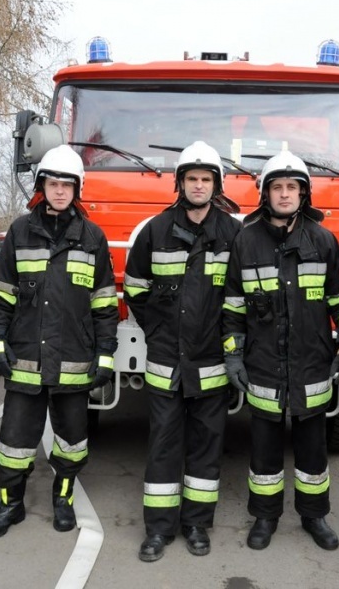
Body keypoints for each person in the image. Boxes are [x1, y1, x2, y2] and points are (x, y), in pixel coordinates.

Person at [0, 144, 118, 540]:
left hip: (74, 363)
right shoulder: (20, 232)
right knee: (14, 442)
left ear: (78, 189)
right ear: (42, 186)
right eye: (53, 183)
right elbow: (1, 295)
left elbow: (104, 304)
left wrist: (105, 356)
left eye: (66, 184)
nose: (59, 191)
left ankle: (63, 498)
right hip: (24, 360)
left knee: (72, 440)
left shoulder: (93, 237)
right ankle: (11, 506)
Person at [222, 151, 339, 552]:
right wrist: (232, 353)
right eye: (277, 187)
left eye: (291, 187)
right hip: (262, 364)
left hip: (312, 363)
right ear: (265, 193)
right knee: (263, 447)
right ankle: (265, 517)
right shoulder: (246, 240)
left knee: (313, 448)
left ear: (303, 194)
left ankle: (315, 517)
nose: (284, 194)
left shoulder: (324, 241)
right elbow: (232, 307)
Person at [124, 140, 242, 562]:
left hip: (210, 365)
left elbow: (239, 295)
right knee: (163, 446)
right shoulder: (155, 230)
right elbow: (135, 288)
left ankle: (196, 525)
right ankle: (158, 530)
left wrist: (231, 346)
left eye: (205, 179)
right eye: (191, 178)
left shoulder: (234, 233)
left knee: (206, 447)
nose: (197, 185)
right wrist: (157, 331)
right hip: (164, 364)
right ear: (180, 184)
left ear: (216, 185)